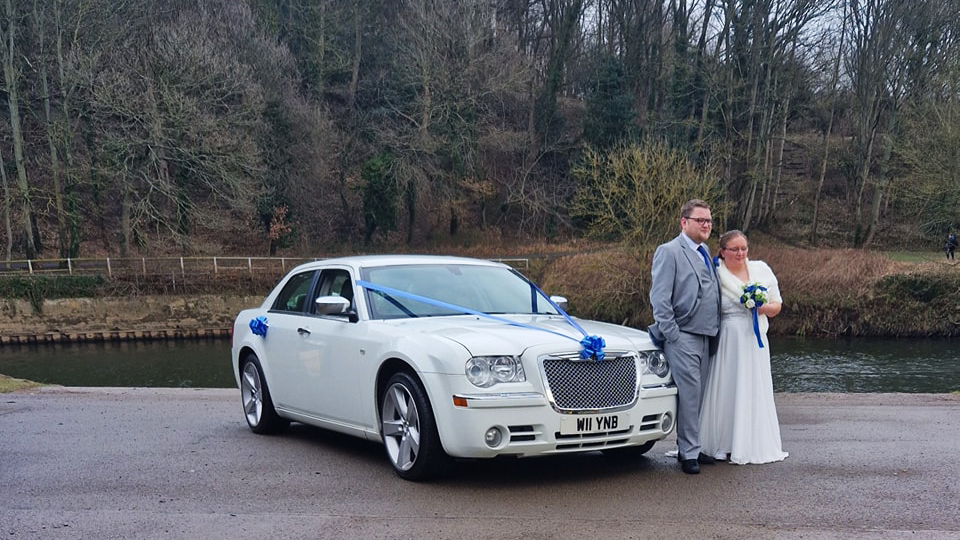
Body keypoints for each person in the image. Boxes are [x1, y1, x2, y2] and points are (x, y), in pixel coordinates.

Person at [699, 230, 788, 465]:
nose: (740, 253)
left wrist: (763, 309)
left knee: (752, 388)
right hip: (728, 339)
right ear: (722, 252)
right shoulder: (716, 274)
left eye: (743, 249)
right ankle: (721, 443)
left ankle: (749, 442)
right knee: (726, 388)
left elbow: (777, 304)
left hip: (754, 340)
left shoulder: (761, 270)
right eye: (734, 249)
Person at [648, 199, 722, 474]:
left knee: (699, 394)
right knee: (690, 394)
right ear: (684, 222)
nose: (706, 225)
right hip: (684, 336)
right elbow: (660, 298)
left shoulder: (705, 251)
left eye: (709, 221)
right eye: (700, 220)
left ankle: (690, 446)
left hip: (707, 336)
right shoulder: (669, 251)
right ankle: (688, 453)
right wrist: (673, 335)